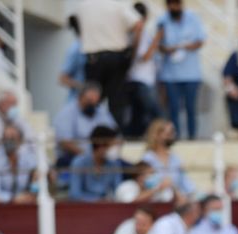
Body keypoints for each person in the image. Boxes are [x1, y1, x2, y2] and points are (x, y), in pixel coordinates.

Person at [75, 0, 143, 128]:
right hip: (116, 57)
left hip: (93, 58)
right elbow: (138, 24)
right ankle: (114, 136)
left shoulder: (83, 5)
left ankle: (91, 133)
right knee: (116, 101)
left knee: (92, 99)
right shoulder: (117, 4)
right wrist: (133, 50)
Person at [157, 0, 205, 139]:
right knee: (173, 110)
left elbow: (200, 41)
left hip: (191, 73)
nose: (173, 7)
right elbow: (158, 45)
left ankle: (192, 138)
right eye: (171, 4)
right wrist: (168, 49)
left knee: (191, 108)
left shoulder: (193, 18)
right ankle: (174, 138)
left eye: (176, 4)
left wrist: (183, 46)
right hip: (171, 74)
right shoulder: (162, 20)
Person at [54, 82, 117, 169]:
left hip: (102, 158)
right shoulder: (66, 113)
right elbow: (65, 143)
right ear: (80, 97)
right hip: (73, 157)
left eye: (95, 101)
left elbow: (115, 135)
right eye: (89, 100)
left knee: (128, 167)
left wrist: (106, 152)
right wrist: (90, 157)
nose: (92, 104)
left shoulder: (101, 111)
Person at [125, 2, 162, 138]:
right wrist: (157, 40)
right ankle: (159, 141)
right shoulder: (137, 33)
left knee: (138, 115)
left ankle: (133, 139)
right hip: (141, 80)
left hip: (139, 79)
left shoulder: (134, 32)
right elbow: (144, 56)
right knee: (156, 114)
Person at [141, 119, 195, 201]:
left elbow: (186, 184)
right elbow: (147, 184)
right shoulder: (147, 159)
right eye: (168, 134)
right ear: (157, 135)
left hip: (177, 201)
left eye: (173, 133)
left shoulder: (176, 159)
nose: (172, 136)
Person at [0, 124, 38, 202]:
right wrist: (13, 198)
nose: (8, 141)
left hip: (24, 203)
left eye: (12, 138)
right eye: (5, 138)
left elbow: (41, 170)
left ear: (20, 141)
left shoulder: (28, 158)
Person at [68, 125, 125, 202]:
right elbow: (74, 194)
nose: (115, 150)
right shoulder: (79, 163)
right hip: (82, 209)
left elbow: (118, 192)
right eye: (112, 146)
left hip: (106, 209)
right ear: (101, 145)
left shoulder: (115, 164)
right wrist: (98, 200)